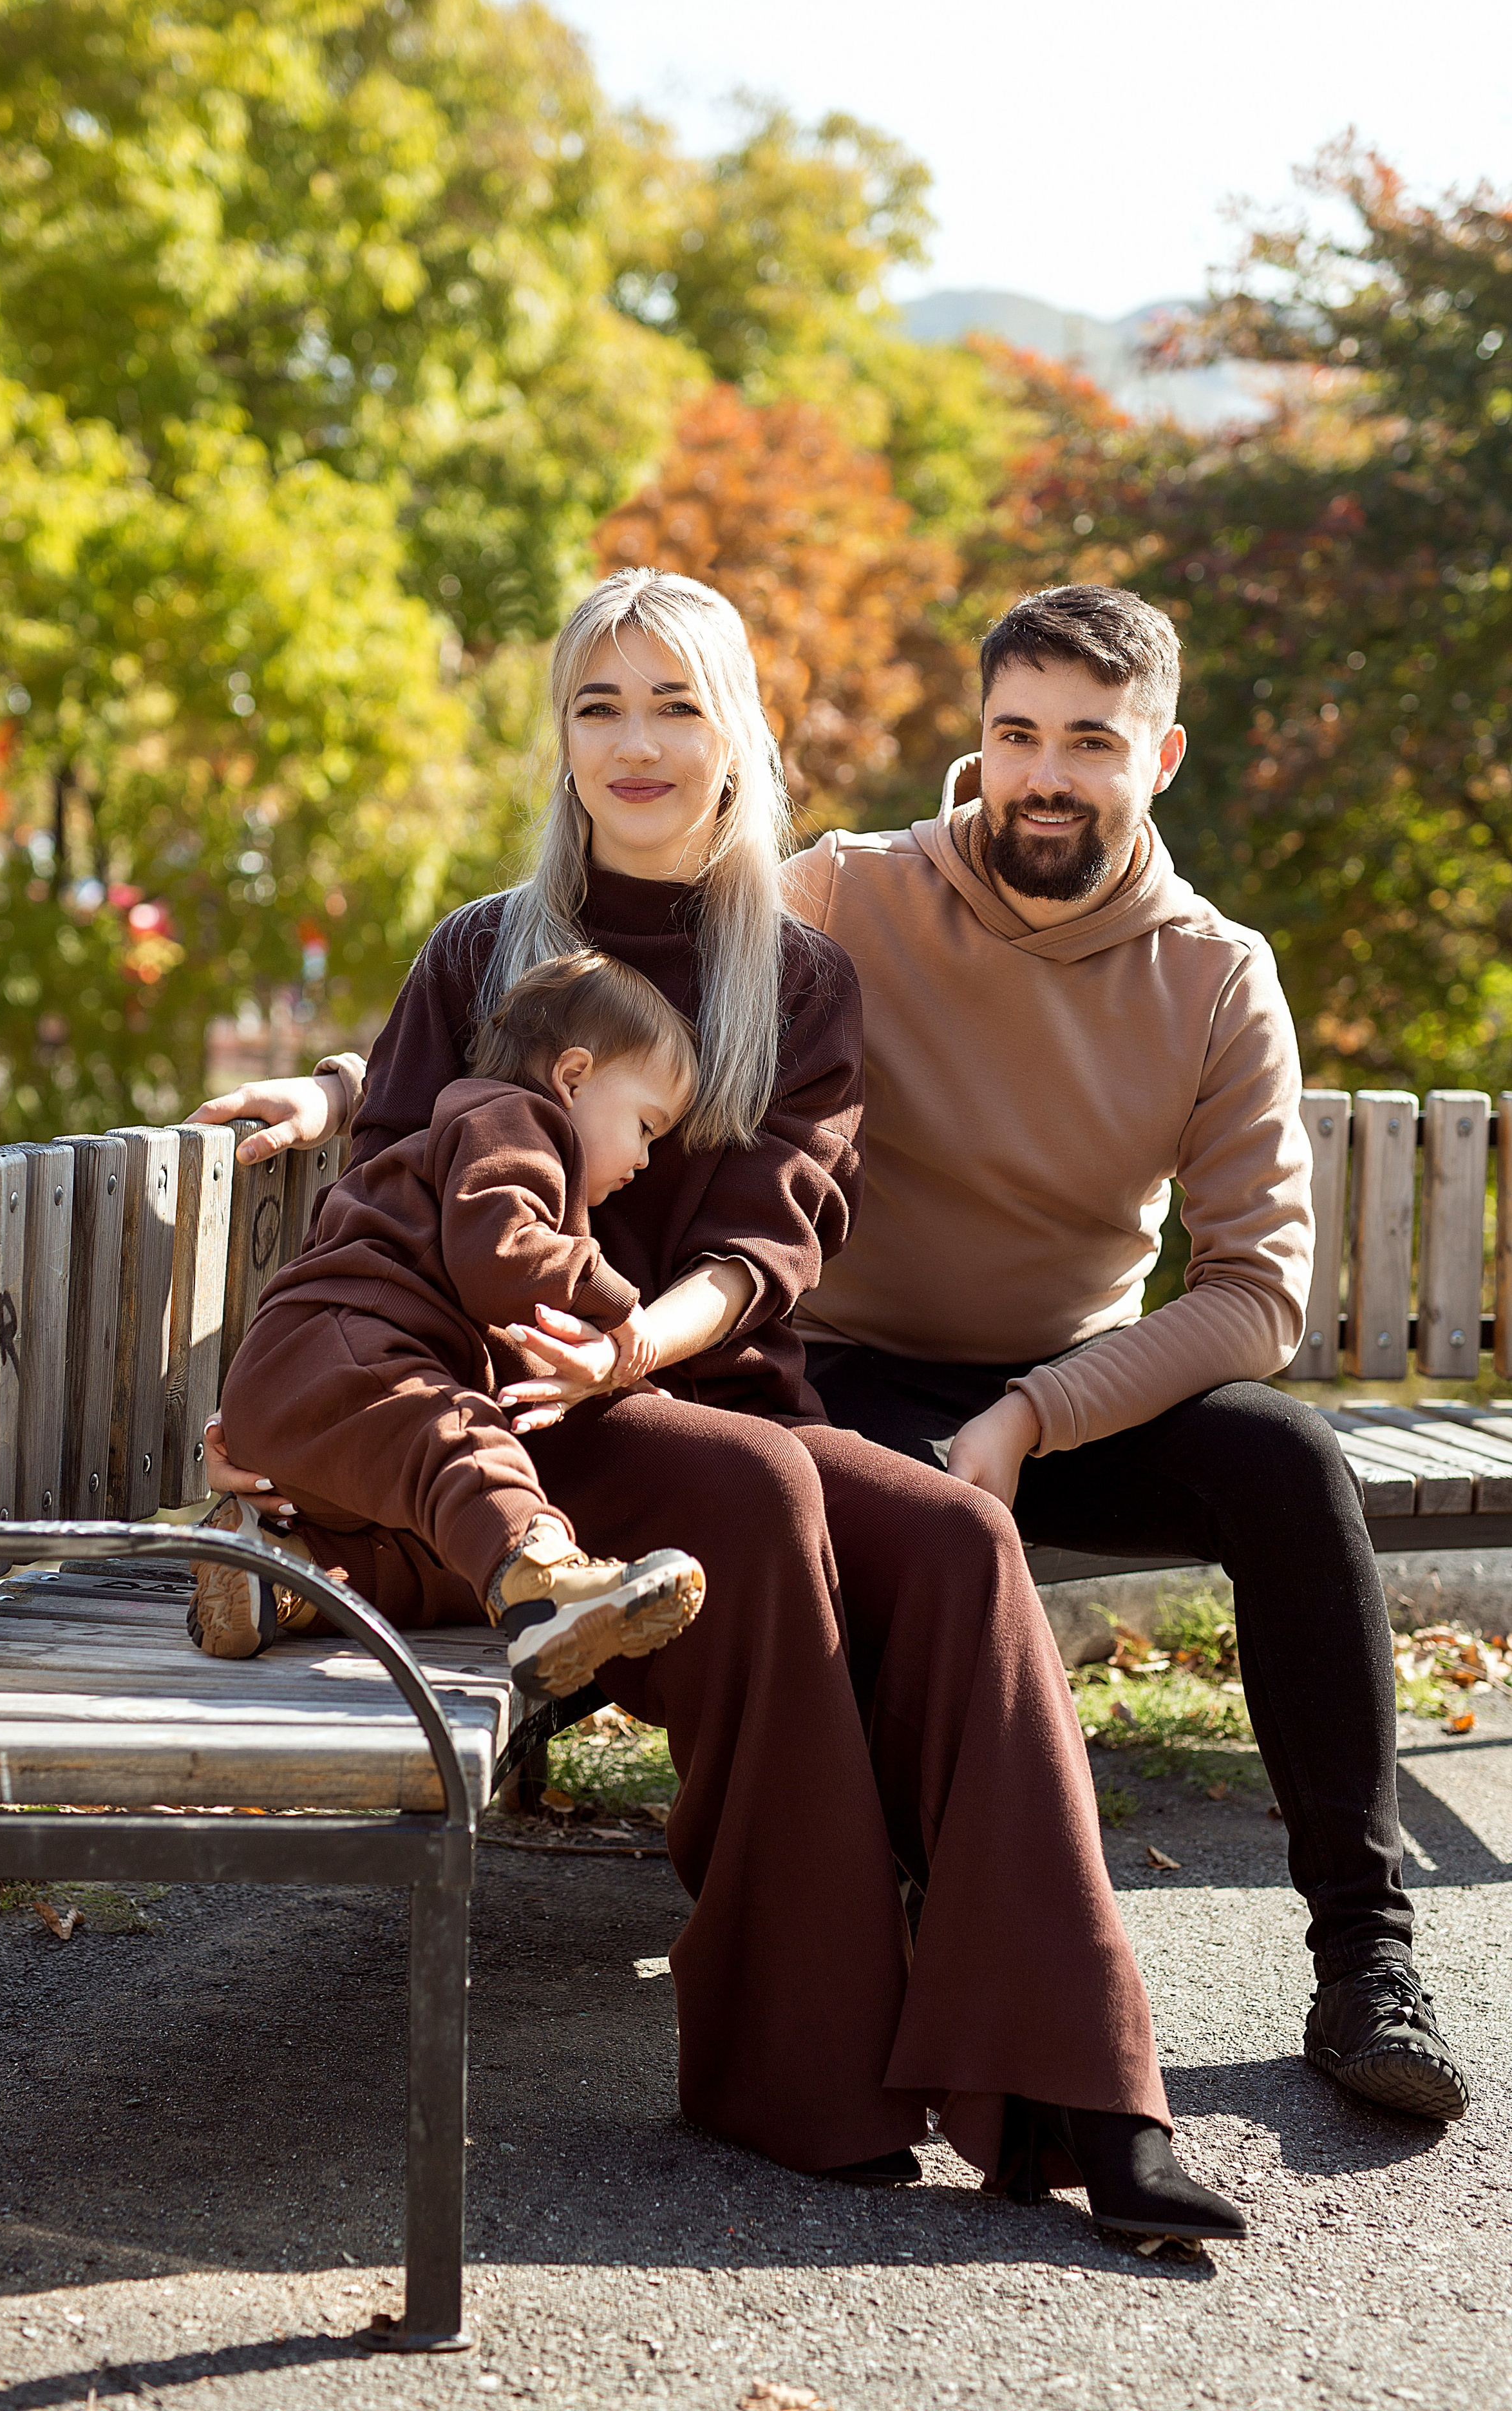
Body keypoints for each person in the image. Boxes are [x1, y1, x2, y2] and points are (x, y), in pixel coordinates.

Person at [189, 567, 1245, 2241]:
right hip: (502, 1420)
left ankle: (1084, 2094)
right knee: (759, 1501)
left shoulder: (801, 979)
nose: (636, 742)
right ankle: (797, 2078)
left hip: (689, 1389)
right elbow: (400, 1163)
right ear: (562, 735)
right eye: (600, 706)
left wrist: (629, 1347)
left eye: (676, 704)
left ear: (736, 730)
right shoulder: (485, 949)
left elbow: (772, 1244)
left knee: (965, 1540)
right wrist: (330, 1094)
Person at [783, 581, 1469, 2127]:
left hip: (1067, 1388)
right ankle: (913, 1952)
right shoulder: (842, 891)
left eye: (1087, 740)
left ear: (1156, 755)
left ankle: (1365, 1957)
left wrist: (1033, 1413)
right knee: (891, 1500)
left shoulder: (1215, 972)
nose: (1044, 771)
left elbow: (1252, 1295)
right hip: (854, 1368)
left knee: (1288, 1462)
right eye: (1015, 732)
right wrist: (347, 1080)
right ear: (976, 741)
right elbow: (613, 986)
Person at [193, 948, 708, 1694]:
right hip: (335, 1350)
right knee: (464, 1442)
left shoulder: (504, 1147)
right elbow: (502, 1257)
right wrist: (621, 1306)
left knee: (463, 1553)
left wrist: (615, 1392)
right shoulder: (513, 1119)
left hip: (324, 1405)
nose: (646, 1160)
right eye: (647, 1127)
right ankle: (543, 1587)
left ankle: (282, 1578)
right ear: (571, 1077)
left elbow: (516, 1330)